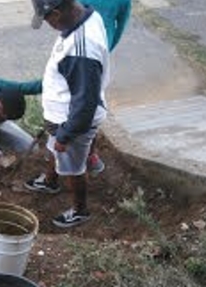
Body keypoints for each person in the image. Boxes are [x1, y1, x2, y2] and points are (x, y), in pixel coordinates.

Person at [25, 0, 110, 228]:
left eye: (48, 19)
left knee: (74, 168)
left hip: (71, 122)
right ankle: (51, 181)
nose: (49, 25)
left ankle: (80, 210)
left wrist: (66, 135)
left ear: (58, 12)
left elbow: (85, 104)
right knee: (56, 149)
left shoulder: (82, 50)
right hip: (62, 119)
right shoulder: (86, 16)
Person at [80, 0, 131, 175]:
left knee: (93, 103)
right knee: (72, 101)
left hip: (98, 56)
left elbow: (120, 26)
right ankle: (67, 149)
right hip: (77, 50)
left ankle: (90, 154)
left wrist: (106, 49)